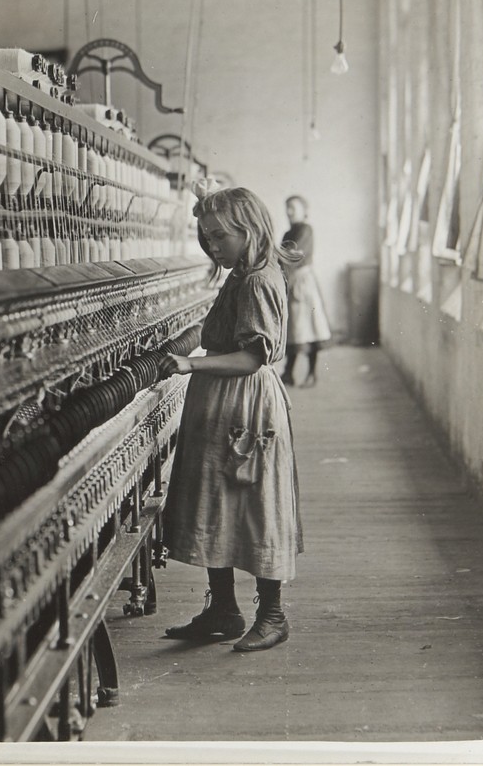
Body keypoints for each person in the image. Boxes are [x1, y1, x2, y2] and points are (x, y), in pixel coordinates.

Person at [160, 185, 304, 652]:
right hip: (223, 403)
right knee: (216, 501)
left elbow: (252, 359)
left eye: (220, 236)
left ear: (250, 230)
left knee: (256, 505)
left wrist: (189, 364)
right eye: (205, 238)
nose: (212, 247)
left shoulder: (260, 279)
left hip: (245, 403)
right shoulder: (243, 273)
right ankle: (222, 609)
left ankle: (273, 615)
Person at [279, 195, 332, 387]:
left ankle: (312, 373)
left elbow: (294, 254)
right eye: (287, 208)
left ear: (304, 210)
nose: (289, 211)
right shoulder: (287, 233)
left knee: (309, 328)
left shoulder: (305, 230)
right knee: (294, 328)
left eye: (293, 207)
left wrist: (275, 256)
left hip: (303, 283)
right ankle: (288, 372)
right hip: (292, 282)